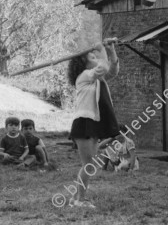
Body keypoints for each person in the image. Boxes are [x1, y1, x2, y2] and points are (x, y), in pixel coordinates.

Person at [67, 38, 120, 209]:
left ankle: (75, 199)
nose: (96, 58)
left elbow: (112, 71)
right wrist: (100, 49)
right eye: (92, 57)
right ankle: (80, 200)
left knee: (89, 165)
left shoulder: (97, 79)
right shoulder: (84, 76)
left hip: (93, 122)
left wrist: (110, 50)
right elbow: (104, 67)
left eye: (96, 56)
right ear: (83, 63)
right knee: (88, 165)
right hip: (83, 122)